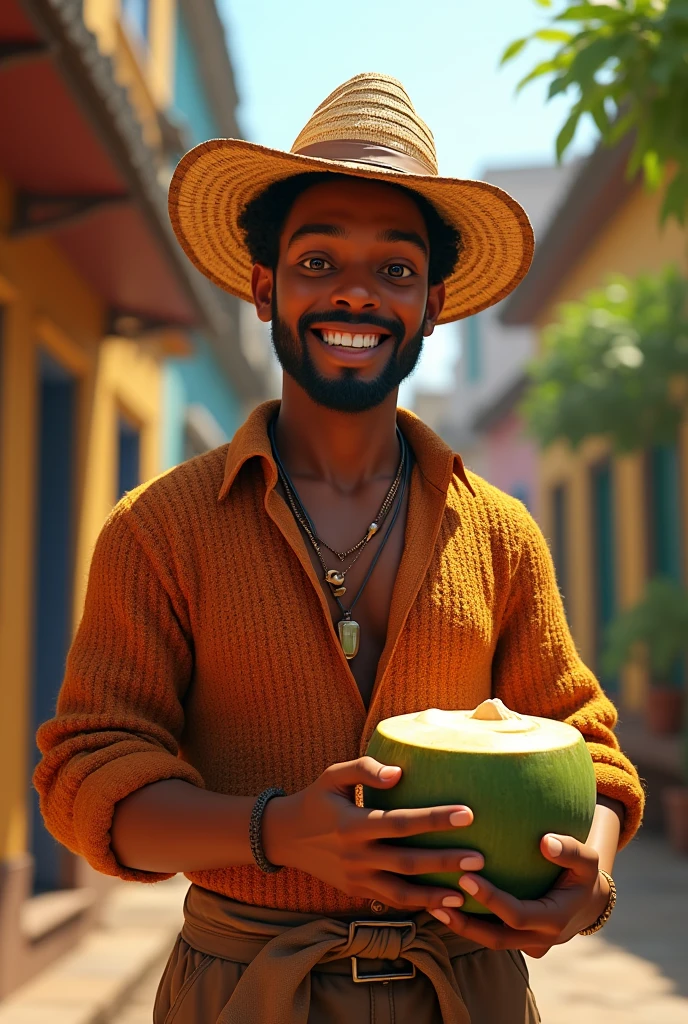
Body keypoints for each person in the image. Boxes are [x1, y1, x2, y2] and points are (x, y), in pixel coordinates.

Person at [35, 73, 644, 1024]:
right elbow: (89, 779)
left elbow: (591, 755)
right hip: (240, 993)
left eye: (395, 269)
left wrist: (585, 875)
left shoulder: (502, 535)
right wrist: (275, 832)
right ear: (264, 284)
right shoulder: (159, 528)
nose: (356, 292)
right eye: (318, 262)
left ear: (434, 303)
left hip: (470, 994)